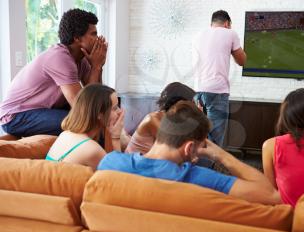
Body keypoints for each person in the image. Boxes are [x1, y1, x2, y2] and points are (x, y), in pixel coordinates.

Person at [99, 101, 281, 205]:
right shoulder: (198, 178)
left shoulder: (110, 163)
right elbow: (271, 194)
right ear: (189, 148)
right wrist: (220, 154)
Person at [0, 9, 108, 137]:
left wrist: (98, 66)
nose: (98, 39)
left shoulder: (81, 60)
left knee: (101, 116)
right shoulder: (60, 57)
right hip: (16, 116)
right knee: (88, 123)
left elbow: (94, 97)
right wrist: (95, 67)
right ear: (77, 38)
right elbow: (83, 109)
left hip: (43, 109)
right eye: (94, 34)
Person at [193, 10, 246, 149]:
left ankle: (197, 167)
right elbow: (242, 61)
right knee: (215, 138)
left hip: (198, 90)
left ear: (212, 23)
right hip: (217, 91)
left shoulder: (199, 34)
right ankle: (209, 169)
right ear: (227, 23)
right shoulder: (230, 33)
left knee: (199, 134)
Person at [46, 84, 124, 171]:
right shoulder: (92, 150)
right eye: (115, 108)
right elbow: (118, 176)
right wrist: (116, 137)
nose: (120, 111)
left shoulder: (65, 134)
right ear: (99, 114)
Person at [124, 82, 196, 155]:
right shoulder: (152, 119)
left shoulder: (172, 120)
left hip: (150, 161)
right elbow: (176, 145)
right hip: (135, 163)